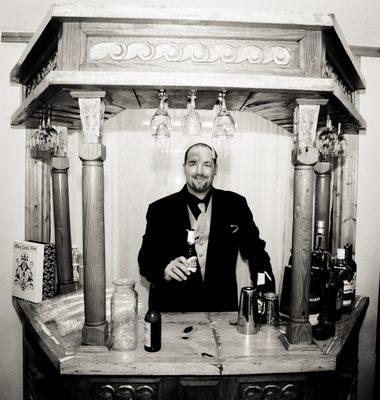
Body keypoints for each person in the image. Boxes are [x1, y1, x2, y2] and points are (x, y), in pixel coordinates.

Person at [138, 143, 275, 312]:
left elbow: (257, 254)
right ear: (184, 168)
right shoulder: (160, 209)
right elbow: (145, 259)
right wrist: (163, 270)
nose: (199, 171)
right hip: (172, 310)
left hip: (222, 311)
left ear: (215, 169)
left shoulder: (236, 204)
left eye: (207, 164)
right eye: (193, 164)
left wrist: (265, 294)